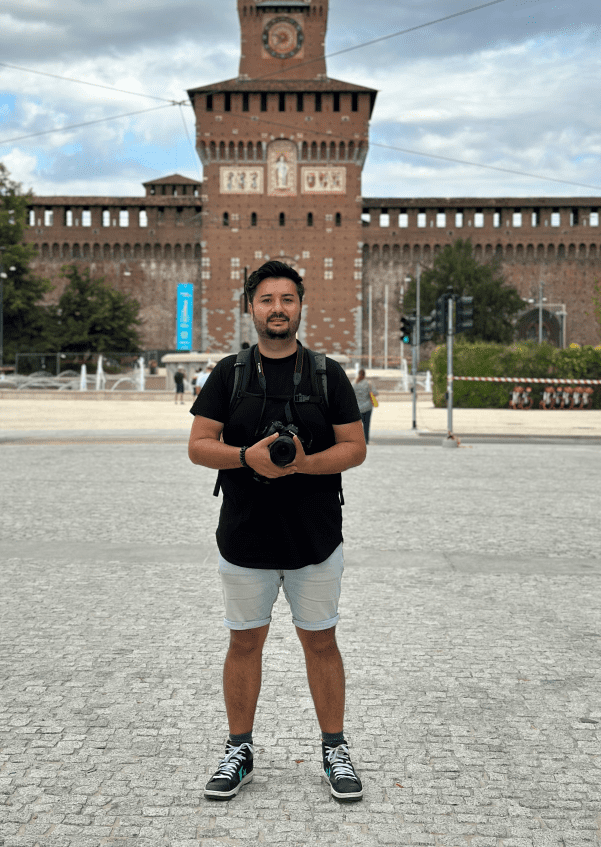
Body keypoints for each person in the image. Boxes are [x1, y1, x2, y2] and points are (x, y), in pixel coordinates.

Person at [188, 260, 367, 802]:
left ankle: (334, 748)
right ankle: (238, 750)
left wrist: (301, 464)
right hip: (245, 536)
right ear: (251, 307)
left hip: (315, 537)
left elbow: (355, 448)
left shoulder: (326, 374)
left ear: (300, 307)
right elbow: (198, 445)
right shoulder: (229, 374)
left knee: (322, 643)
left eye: (287, 300)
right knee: (244, 643)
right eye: (267, 300)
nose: (277, 309)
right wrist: (248, 457)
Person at [352, 368, 378, 445]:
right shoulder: (368, 383)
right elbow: (375, 393)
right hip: (367, 407)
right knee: (366, 424)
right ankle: (366, 440)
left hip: (357, 408)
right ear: (364, 375)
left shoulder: (353, 383)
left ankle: (357, 440)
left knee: (357, 425)